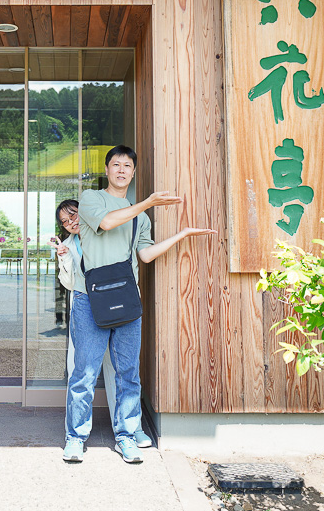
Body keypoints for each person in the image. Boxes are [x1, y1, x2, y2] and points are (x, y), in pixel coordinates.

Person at [61, 145, 216, 464]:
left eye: (127, 165)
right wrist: (146, 202)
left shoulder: (140, 219)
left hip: (127, 301)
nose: (121, 169)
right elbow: (105, 223)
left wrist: (181, 235)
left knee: (128, 373)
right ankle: (75, 438)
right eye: (115, 164)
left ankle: (126, 436)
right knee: (85, 372)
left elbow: (144, 255)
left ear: (133, 172)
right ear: (107, 170)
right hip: (88, 299)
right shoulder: (91, 199)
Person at [51, 199, 152, 449]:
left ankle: (132, 428)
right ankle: (74, 434)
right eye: (65, 221)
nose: (71, 222)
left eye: (73, 215)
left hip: (117, 306)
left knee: (123, 370)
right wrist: (64, 258)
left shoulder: (103, 233)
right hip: (87, 309)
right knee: (82, 371)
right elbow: (68, 283)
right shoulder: (69, 244)